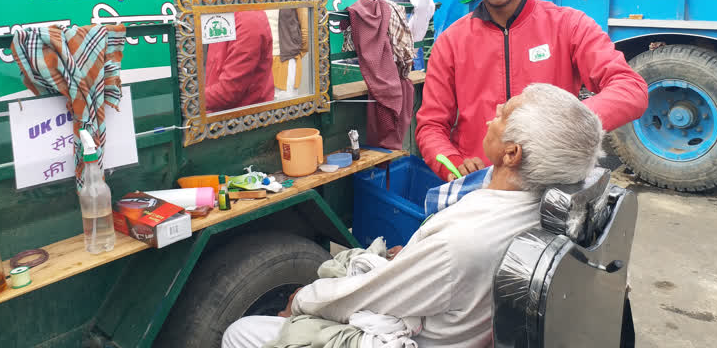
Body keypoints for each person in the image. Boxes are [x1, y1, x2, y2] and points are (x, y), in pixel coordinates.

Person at [222, 83, 605, 348]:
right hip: (452, 311)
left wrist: (304, 300)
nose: (492, 117)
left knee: (242, 332)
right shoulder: (541, 202)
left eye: (502, 115)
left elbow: (367, 298)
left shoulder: (464, 241)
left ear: (512, 154)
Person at [415, 0, 648, 181]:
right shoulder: (451, 42)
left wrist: (563, 124)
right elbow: (431, 126)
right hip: (482, 185)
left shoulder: (568, 25)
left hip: (553, 179)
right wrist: (454, 166)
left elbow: (631, 89)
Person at [205, 10, 275, 112]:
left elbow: (229, 91)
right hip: (218, 111)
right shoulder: (225, 14)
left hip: (243, 118)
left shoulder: (248, 21)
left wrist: (190, 101)